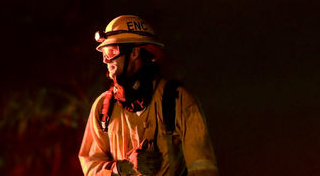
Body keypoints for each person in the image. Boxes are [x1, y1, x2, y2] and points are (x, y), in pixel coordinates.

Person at [78, 15, 219, 176]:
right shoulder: (103, 107)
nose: (105, 60)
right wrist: (121, 168)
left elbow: (203, 168)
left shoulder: (177, 99)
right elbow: (90, 166)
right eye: (104, 53)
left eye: (112, 51)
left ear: (134, 52)